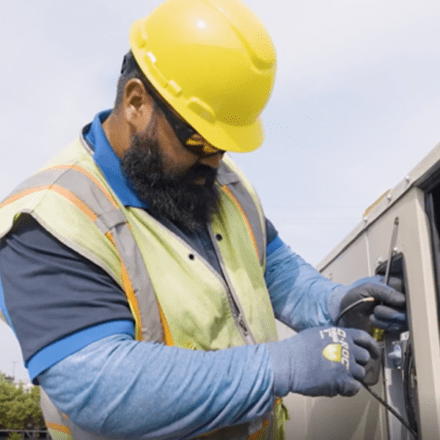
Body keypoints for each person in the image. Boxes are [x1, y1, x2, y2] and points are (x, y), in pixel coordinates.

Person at [0, 0, 407, 438]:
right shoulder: (48, 218)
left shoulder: (220, 184)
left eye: (222, 145)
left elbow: (275, 270)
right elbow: (103, 387)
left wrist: (331, 302)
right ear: (136, 102)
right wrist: (279, 365)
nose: (213, 162)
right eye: (198, 140)